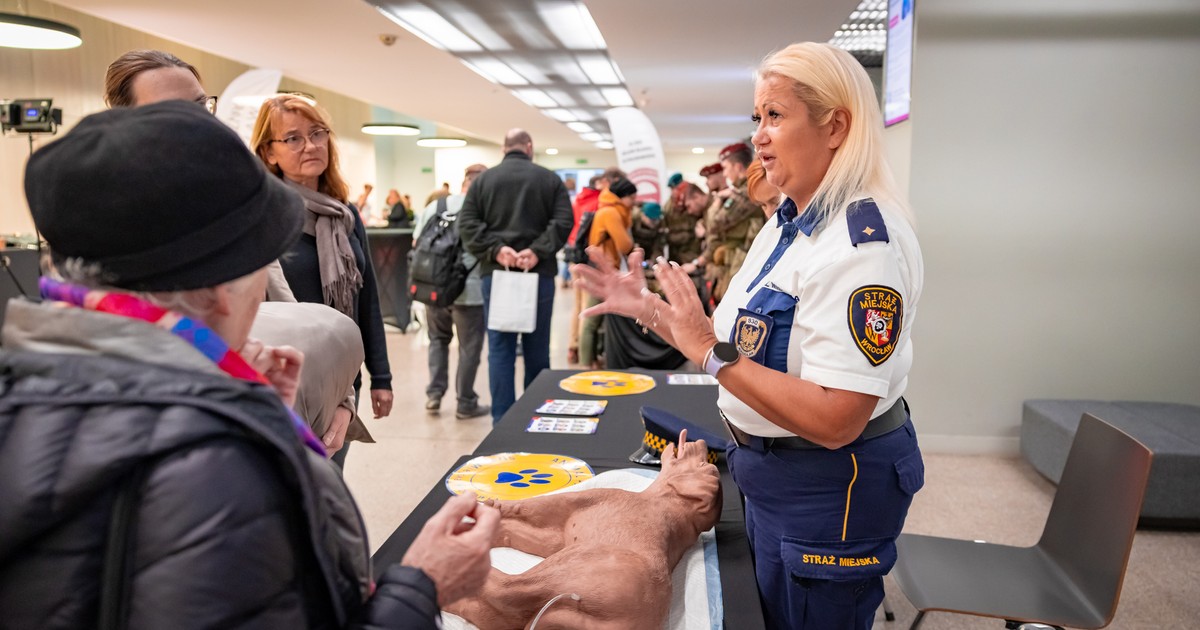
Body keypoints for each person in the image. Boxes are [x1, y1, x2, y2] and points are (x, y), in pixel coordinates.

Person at [0, 101, 498, 629]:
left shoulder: (27, 385)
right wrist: (424, 585)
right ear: (221, 285)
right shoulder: (217, 466)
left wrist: (264, 416)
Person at [573, 42, 924, 630]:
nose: (759, 135)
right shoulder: (789, 224)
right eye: (757, 118)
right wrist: (652, 311)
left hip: (827, 487)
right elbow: (726, 338)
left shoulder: (863, 246)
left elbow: (839, 416)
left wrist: (712, 355)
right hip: (771, 470)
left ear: (835, 126)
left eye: (776, 116)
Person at [103, 49, 363, 454]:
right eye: (173, 110)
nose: (200, 121)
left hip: (267, 409)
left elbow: (287, 305)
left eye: (201, 105)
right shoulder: (103, 215)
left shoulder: (232, 194)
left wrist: (340, 396)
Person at [444, 430, 720, 629]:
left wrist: (503, 509)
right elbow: (554, 532)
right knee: (513, 612)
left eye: (697, 467)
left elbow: (546, 508)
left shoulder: (626, 501)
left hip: (620, 573)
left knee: (506, 592)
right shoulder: (640, 514)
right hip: (646, 599)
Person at [250, 94, 394, 466]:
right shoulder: (260, 217)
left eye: (317, 133)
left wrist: (381, 375)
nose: (311, 145)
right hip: (287, 383)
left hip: (342, 379)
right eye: (293, 138)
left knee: (332, 480)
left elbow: (367, 299)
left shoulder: (345, 216)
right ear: (268, 152)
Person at [458, 128, 573, 423]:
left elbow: (467, 223)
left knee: (500, 350)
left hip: (497, 277)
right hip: (539, 276)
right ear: (529, 147)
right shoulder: (549, 180)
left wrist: (496, 250)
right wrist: (537, 250)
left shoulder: (483, 181)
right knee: (537, 350)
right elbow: (563, 221)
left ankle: (503, 420)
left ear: (503, 148)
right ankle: (536, 416)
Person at [418, 163, 490, 420]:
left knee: (438, 340)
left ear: (464, 181)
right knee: (469, 348)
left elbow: (417, 242)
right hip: (469, 292)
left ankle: (434, 395)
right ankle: (465, 402)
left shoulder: (435, 207)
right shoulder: (484, 210)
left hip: (433, 288)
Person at [578, 176, 637, 370]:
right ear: (624, 197)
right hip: (601, 268)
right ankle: (586, 363)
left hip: (605, 267)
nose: (634, 202)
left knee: (597, 317)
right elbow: (625, 244)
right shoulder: (611, 212)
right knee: (593, 318)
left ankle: (593, 359)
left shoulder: (612, 210)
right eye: (632, 198)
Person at [705, 142, 767, 306]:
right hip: (734, 261)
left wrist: (718, 200)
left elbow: (714, 223)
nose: (724, 174)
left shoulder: (745, 193)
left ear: (738, 167)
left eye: (726, 168)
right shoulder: (739, 192)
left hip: (740, 261)